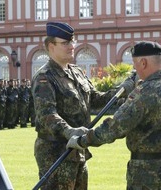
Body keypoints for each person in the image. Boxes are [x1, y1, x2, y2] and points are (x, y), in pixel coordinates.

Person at [67, 41, 161, 189]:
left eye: (135, 64)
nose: (134, 69)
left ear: (143, 63)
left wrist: (82, 140)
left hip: (149, 172)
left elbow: (115, 127)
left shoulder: (145, 91)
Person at [31, 21, 123, 190]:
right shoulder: (45, 77)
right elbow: (46, 115)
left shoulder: (77, 72)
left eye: (72, 42)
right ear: (51, 46)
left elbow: (95, 99)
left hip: (77, 150)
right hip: (56, 152)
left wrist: (122, 90)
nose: (71, 46)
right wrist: (70, 131)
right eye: (65, 43)